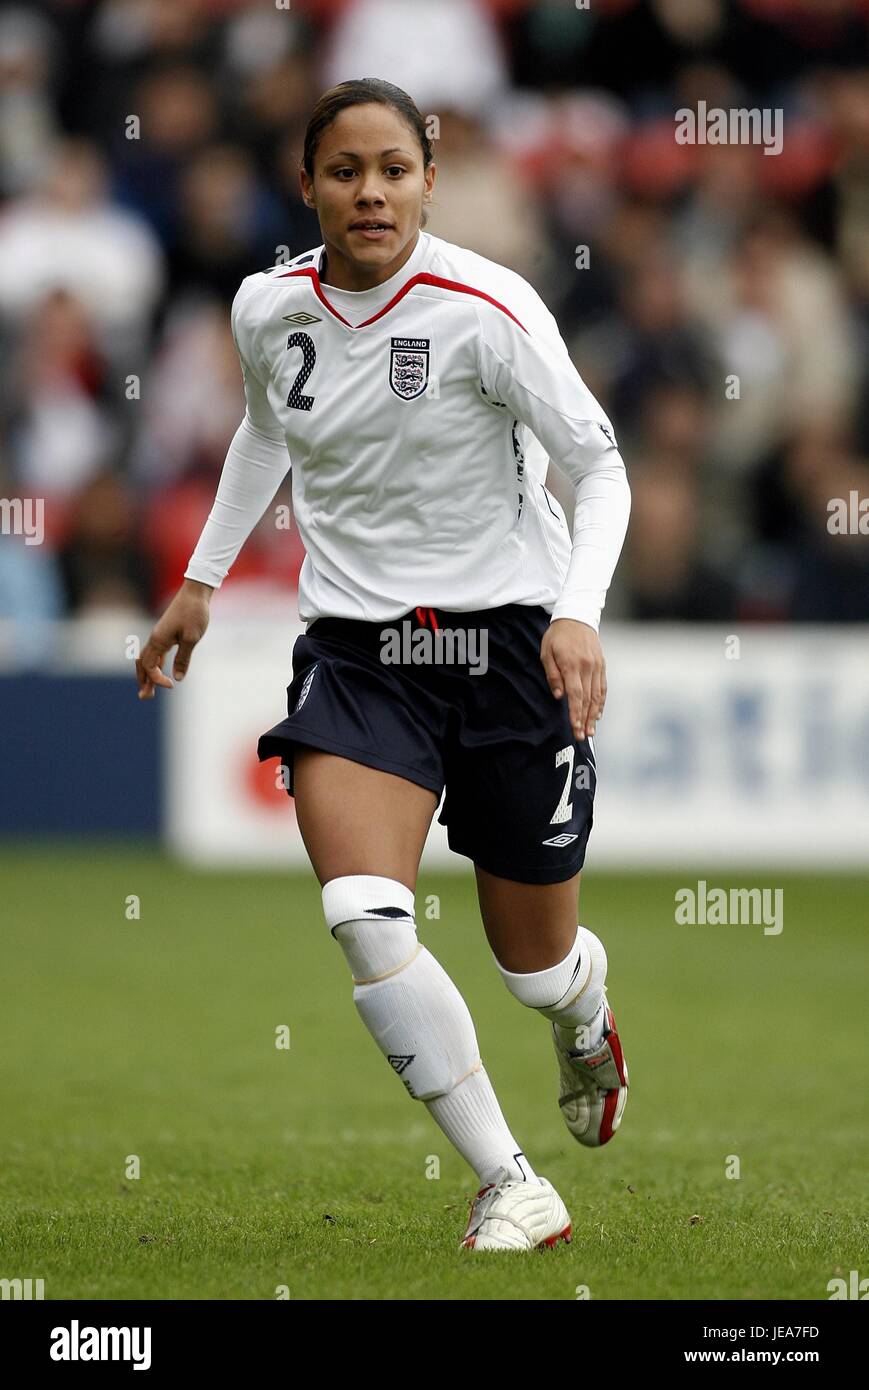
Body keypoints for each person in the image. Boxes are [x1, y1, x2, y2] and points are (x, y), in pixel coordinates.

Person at [136, 78, 631, 1253]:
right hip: (363, 654)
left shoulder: (485, 304)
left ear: (427, 175)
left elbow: (598, 467)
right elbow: (267, 428)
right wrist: (202, 581)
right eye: (345, 171)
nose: (370, 193)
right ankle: (510, 1180)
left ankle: (583, 1016)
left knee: (533, 964)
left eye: (392, 170)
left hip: (508, 647)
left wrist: (576, 613)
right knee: (363, 914)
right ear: (305, 182)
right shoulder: (267, 307)